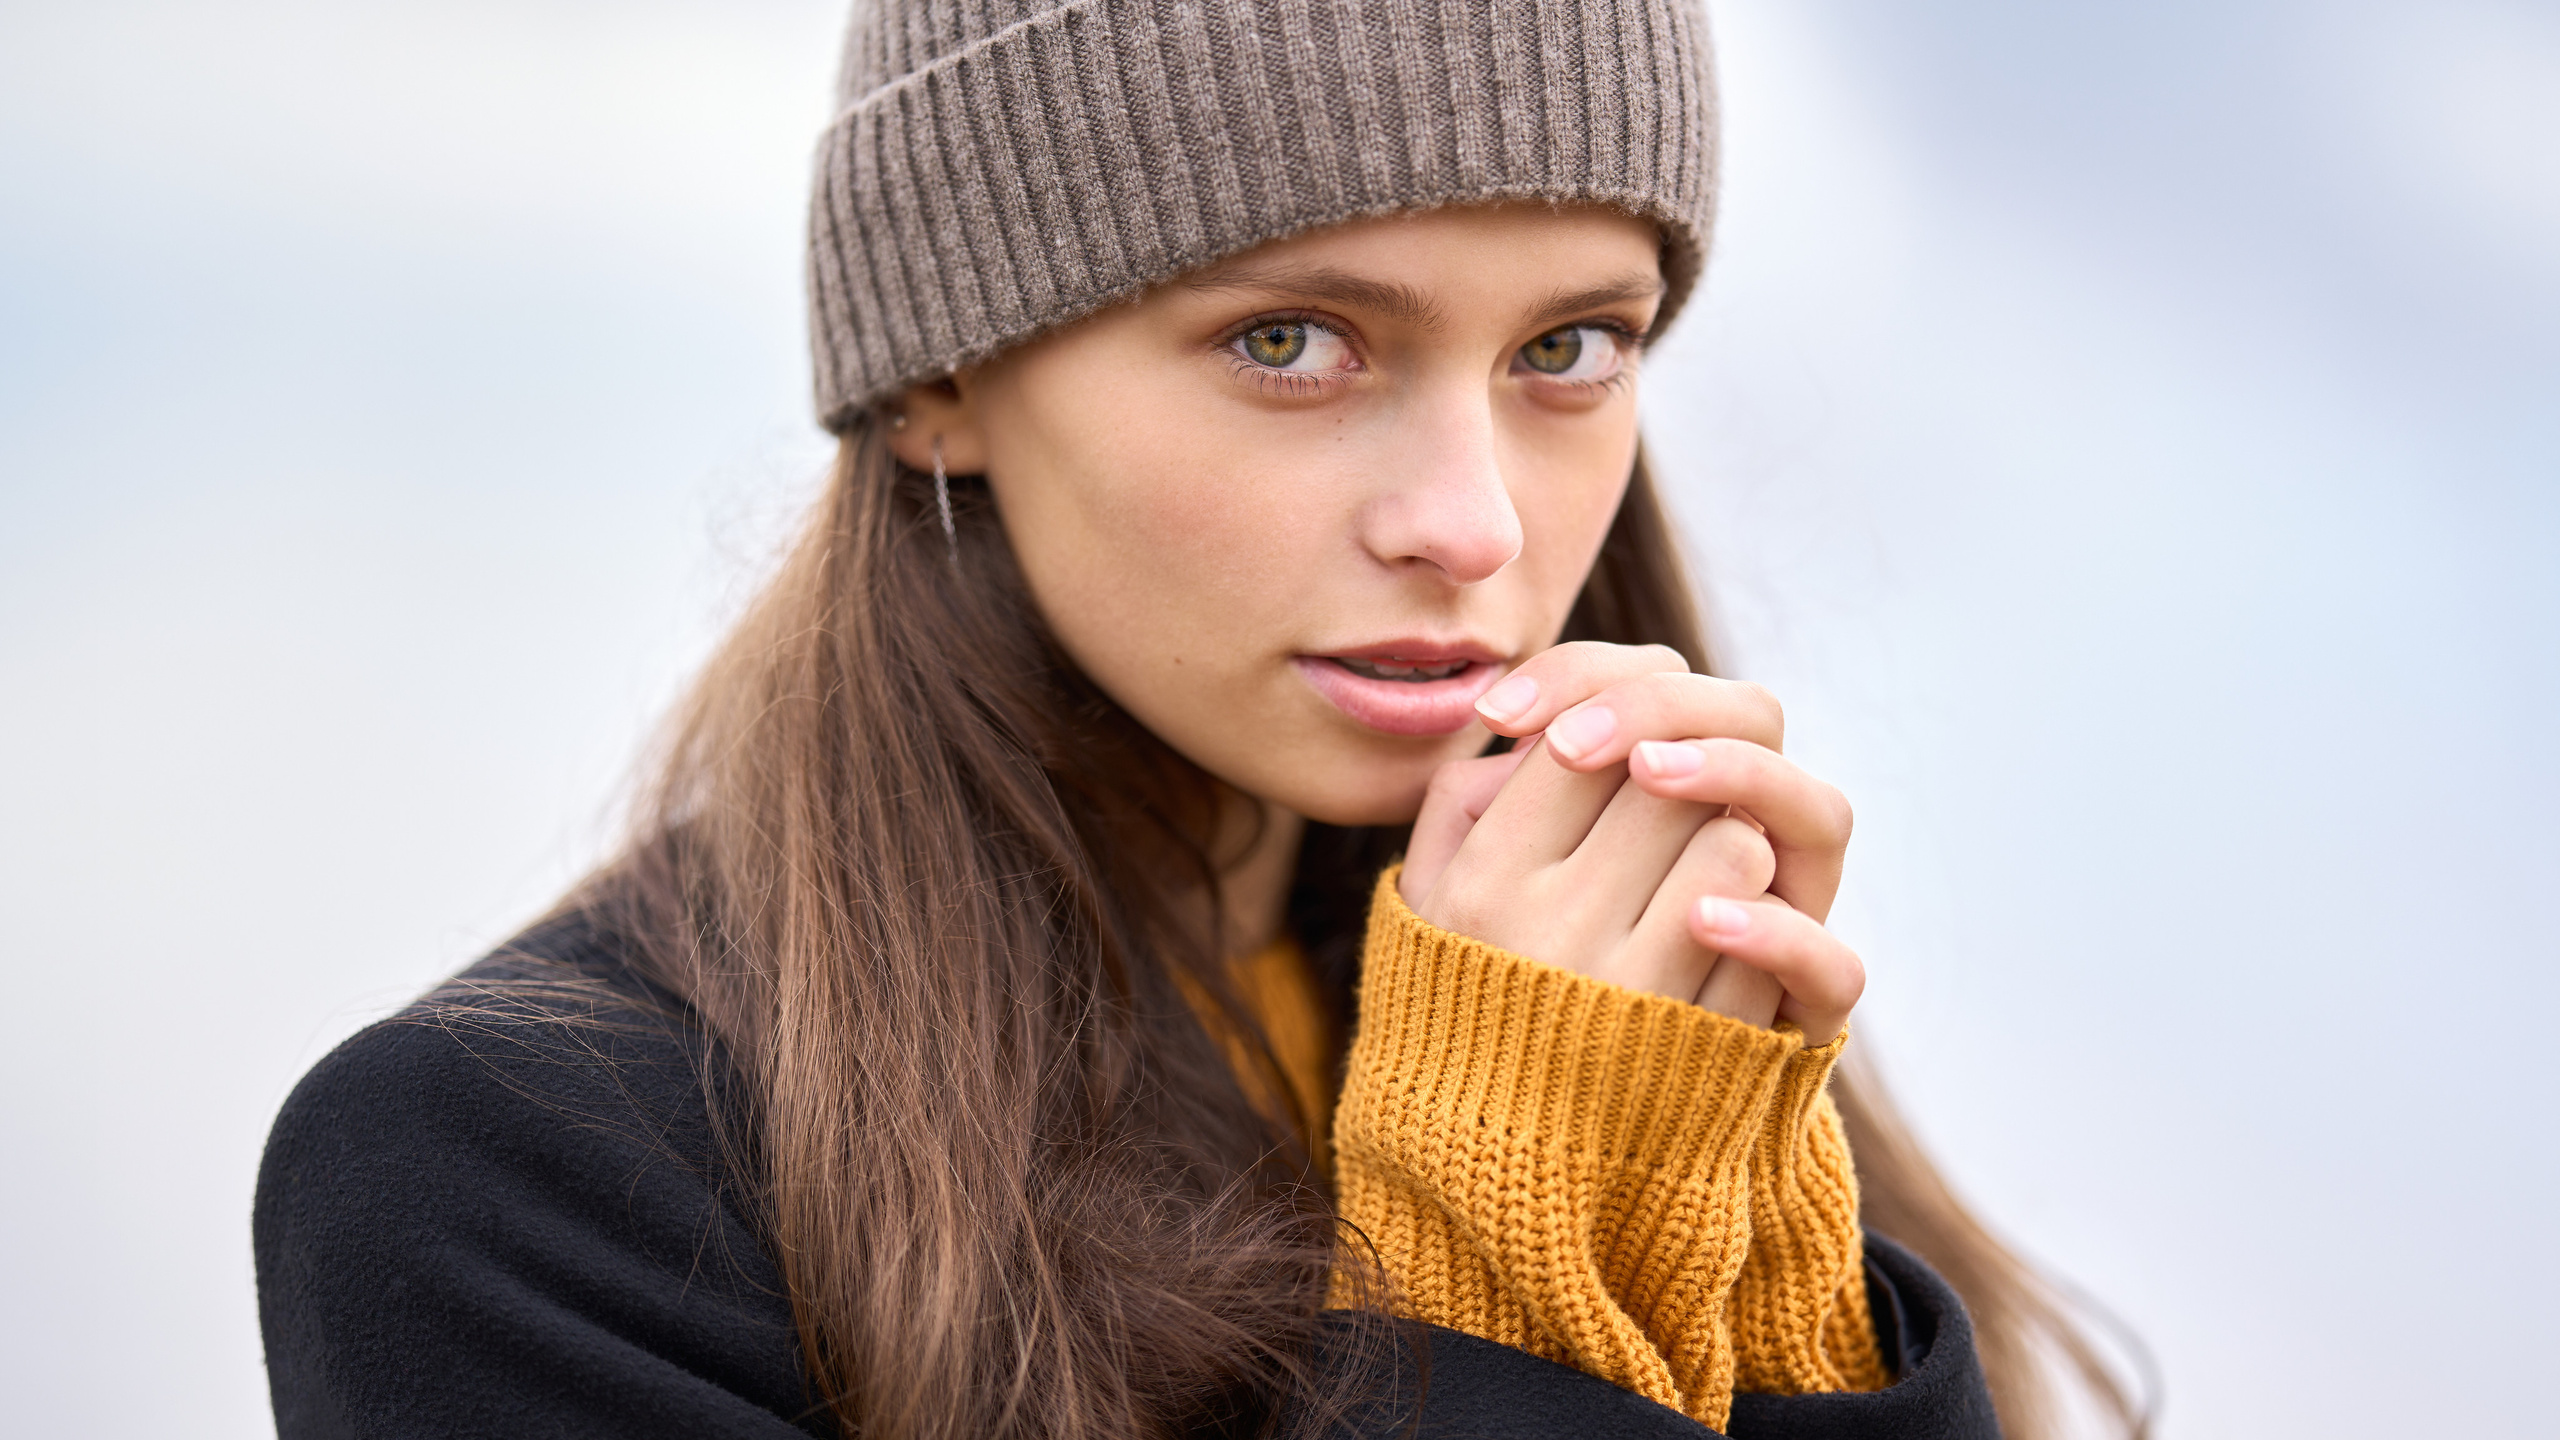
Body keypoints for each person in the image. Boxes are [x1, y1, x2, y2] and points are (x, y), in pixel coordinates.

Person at [254, 1, 2141, 1436]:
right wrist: (1498, 1260)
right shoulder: (516, 1178)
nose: (1473, 523)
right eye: (1290, 343)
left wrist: (1742, 1232)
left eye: (1567, 347)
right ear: (937, 380)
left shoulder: (1643, 998)